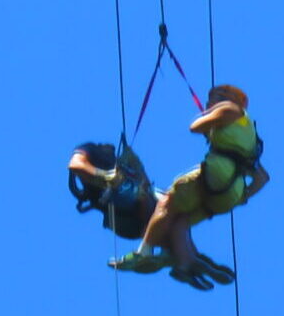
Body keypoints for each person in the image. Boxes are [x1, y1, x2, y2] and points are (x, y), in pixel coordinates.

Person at [111, 85, 268, 286]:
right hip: (229, 193)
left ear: (235, 100)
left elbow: (194, 126)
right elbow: (262, 178)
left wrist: (207, 118)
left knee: (167, 202)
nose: (212, 101)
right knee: (180, 218)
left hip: (216, 173)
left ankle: (144, 252)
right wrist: (242, 197)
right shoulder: (249, 135)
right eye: (210, 98)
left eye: (218, 96)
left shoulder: (230, 109)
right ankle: (187, 263)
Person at [68, 139, 235, 289]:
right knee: (145, 198)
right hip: (121, 213)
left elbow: (145, 183)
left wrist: (137, 167)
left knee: (178, 213)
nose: (110, 146)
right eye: (105, 145)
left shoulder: (121, 163)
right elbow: (75, 165)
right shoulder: (90, 149)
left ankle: (186, 261)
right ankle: (169, 255)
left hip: (142, 214)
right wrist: (104, 176)